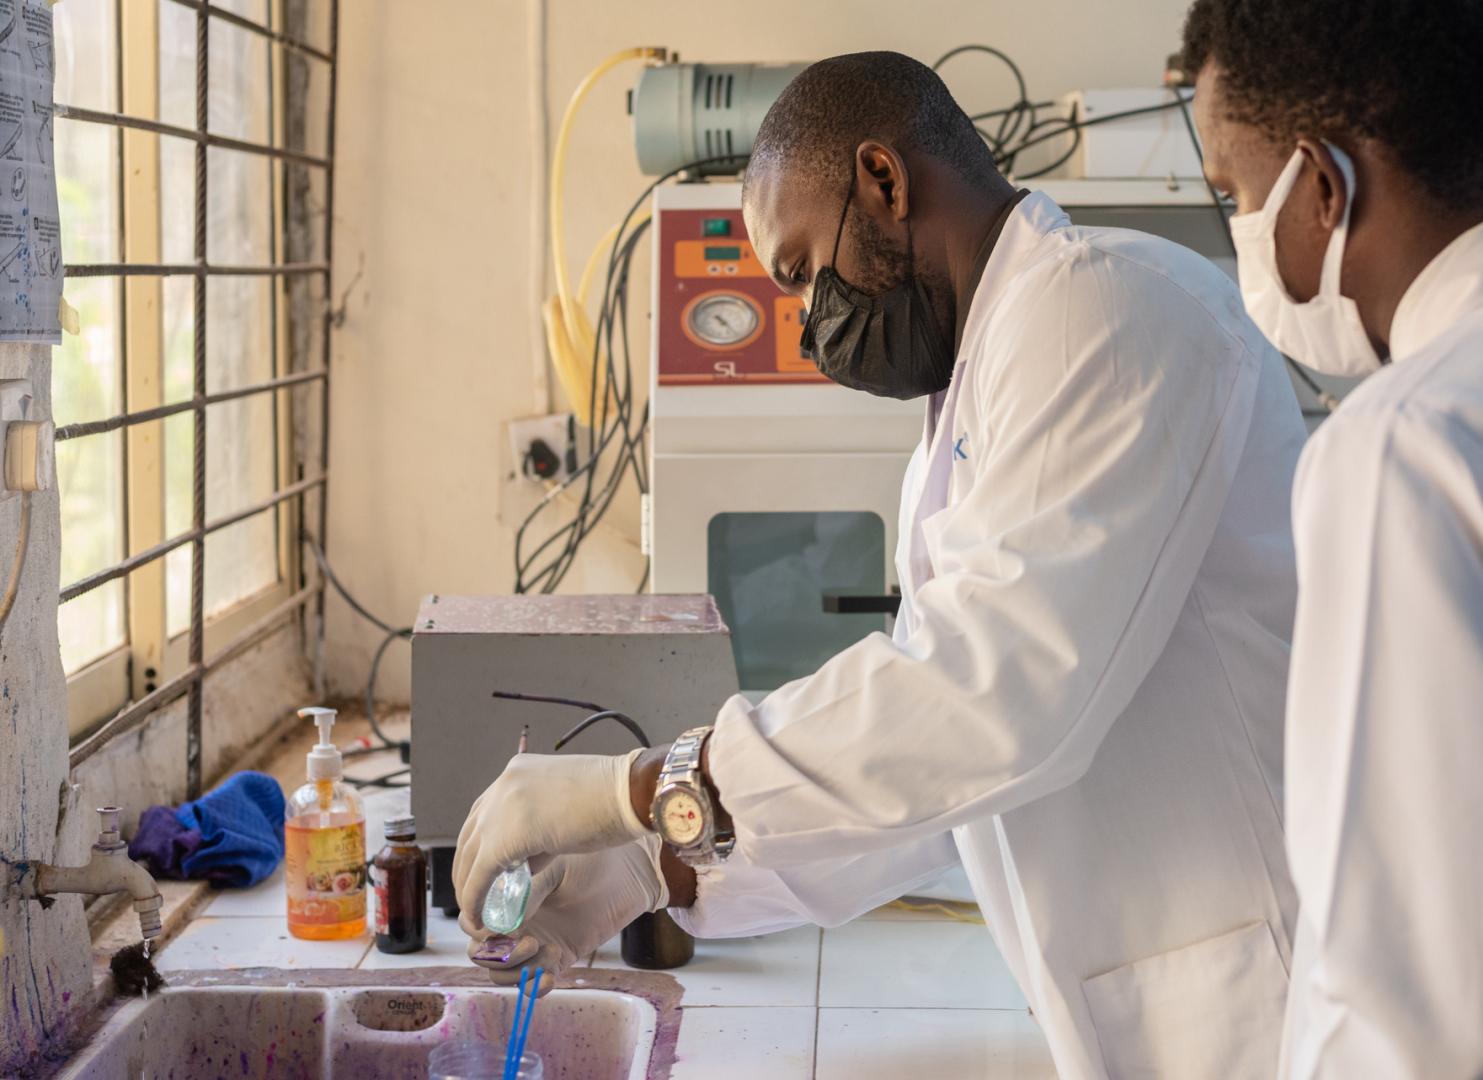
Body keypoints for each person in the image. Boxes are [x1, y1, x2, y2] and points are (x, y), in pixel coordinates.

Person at [455, 51, 1308, 1077]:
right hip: (1159, 997)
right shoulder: (978, 391)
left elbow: (986, 703)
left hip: (1265, 1006)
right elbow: (934, 778)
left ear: (885, 181)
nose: (809, 326)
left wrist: (637, 789)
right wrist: (659, 873)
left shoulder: (1105, 313)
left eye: (805, 268)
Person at [1180, 2, 1483, 1076]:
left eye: (1236, 195)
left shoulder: (1417, 445)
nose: (1240, 231)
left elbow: (1446, 1018)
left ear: (1322, 187)